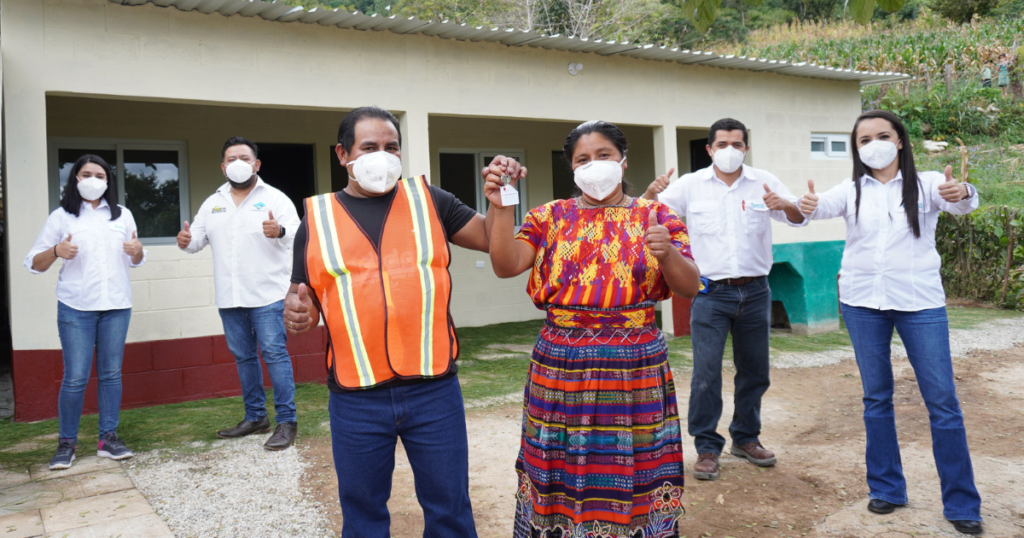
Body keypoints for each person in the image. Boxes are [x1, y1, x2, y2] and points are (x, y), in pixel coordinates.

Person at [283, 106, 497, 537]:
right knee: (363, 517)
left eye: (391, 147)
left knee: (450, 510)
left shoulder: (431, 201)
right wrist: (297, 315)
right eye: (369, 147)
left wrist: (500, 199)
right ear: (343, 154)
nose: (382, 156)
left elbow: (494, 240)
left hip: (434, 392)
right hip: (356, 399)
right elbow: (300, 299)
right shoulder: (317, 219)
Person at [488, 120, 700, 538]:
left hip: (635, 366)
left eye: (603, 155)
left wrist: (668, 254)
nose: (594, 165)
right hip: (561, 363)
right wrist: (500, 206)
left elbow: (689, 285)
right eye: (582, 159)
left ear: (623, 160)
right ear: (571, 169)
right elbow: (506, 264)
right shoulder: (548, 217)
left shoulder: (656, 215)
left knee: (635, 458)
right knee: (559, 456)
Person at [799, 110, 983, 536]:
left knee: (942, 401)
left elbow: (962, 202)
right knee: (876, 398)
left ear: (899, 140)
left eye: (882, 135)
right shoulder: (850, 189)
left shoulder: (929, 181)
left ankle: (961, 503)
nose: (874, 144)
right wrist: (804, 205)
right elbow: (816, 207)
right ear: (856, 148)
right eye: (864, 139)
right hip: (863, 303)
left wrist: (963, 190)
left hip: (920, 304)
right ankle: (887, 487)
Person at [643, 118, 806, 481]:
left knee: (754, 372)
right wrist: (652, 193)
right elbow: (647, 215)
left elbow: (798, 219)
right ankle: (706, 446)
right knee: (706, 373)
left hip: (756, 290)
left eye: (737, 144)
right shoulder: (690, 185)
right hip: (710, 292)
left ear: (746, 148)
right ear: (709, 149)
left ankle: (746, 438)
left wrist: (786, 204)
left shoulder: (764, 181)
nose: (729, 150)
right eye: (722, 144)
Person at [176, 137, 301, 450]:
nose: (237, 162)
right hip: (230, 297)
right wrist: (185, 240)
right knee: (244, 357)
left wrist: (281, 231)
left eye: (244, 157)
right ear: (223, 167)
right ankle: (256, 417)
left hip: (268, 294)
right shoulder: (213, 202)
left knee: (274, 355)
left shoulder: (275, 198)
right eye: (231, 158)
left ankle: (287, 422)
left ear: (256, 164)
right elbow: (196, 242)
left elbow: (299, 237)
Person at [25, 154, 145, 469]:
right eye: (85, 174)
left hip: (116, 307)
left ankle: (108, 438)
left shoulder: (123, 216)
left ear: (108, 181)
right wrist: (55, 251)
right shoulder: (61, 217)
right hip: (76, 308)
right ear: (75, 179)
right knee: (76, 377)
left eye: (99, 175)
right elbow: (34, 263)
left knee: (110, 374)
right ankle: (67, 443)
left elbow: (136, 258)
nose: (92, 180)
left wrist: (138, 251)